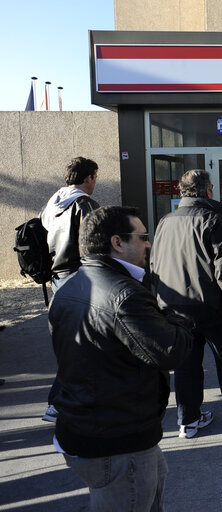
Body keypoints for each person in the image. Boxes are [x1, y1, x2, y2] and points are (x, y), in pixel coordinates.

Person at [50, 206, 194, 510]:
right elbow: (171, 350)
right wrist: (177, 317)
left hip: (98, 429)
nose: (148, 244)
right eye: (142, 237)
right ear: (117, 242)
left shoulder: (69, 286)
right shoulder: (124, 294)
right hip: (115, 439)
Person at [150, 169, 222, 439]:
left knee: (186, 365)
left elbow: (155, 264)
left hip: (174, 307)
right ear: (208, 190)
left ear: (181, 192)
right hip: (213, 306)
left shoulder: (166, 221)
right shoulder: (214, 218)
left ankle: (189, 419)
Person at [40, 156, 100, 423]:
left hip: (57, 278)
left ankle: (69, 399)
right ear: (88, 178)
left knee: (74, 342)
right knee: (83, 343)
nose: (95, 183)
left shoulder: (53, 202)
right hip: (80, 278)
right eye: (95, 178)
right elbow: (92, 244)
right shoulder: (83, 203)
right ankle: (58, 403)